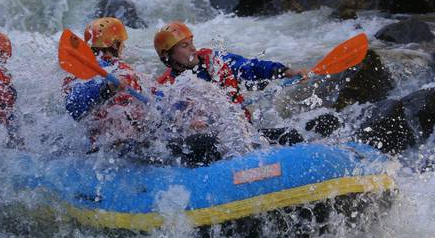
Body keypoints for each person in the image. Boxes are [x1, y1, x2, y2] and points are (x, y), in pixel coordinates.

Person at [154, 21, 305, 145]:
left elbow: (250, 67)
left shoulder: (215, 61)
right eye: (184, 46)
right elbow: (162, 120)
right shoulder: (167, 86)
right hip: (207, 143)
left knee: (291, 135)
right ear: (168, 56)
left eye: (191, 42)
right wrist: (186, 124)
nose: (193, 48)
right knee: (203, 142)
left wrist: (285, 71)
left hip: (242, 134)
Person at [63, 17, 149, 153]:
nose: (124, 47)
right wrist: (107, 88)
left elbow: (73, 107)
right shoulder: (123, 71)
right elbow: (75, 107)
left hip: (99, 145)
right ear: (115, 45)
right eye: (122, 43)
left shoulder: (76, 73)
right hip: (121, 143)